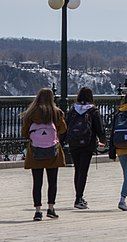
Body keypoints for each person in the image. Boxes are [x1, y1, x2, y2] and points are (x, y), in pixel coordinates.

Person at [21, 88, 67, 221]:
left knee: (37, 182)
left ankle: (37, 211)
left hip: (35, 152)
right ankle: (51, 208)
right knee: (52, 182)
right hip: (53, 152)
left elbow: (24, 132)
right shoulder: (56, 113)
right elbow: (63, 129)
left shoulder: (31, 113)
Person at [65, 86, 106, 209]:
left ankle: (78, 196)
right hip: (88, 144)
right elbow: (99, 128)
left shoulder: (72, 109)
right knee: (83, 171)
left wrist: (62, 141)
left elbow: (66, 125)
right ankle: (79, 198)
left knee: (77, 170)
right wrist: (103, 140)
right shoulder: (93, 110)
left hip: (74, 143)